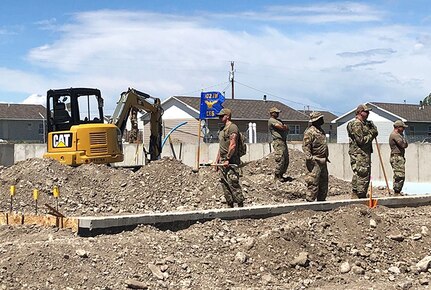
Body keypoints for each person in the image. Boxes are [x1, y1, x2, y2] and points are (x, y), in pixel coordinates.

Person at [347, 104, 378, 199]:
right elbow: (361, 141)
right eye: (366, 112)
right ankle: (359, 195)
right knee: (362, 174)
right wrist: (371, 134)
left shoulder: (364, 124)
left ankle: (359, 194)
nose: (368, 114)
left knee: (362, 174)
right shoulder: (357, 124)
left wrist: (372, 128)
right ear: (360, 112)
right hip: (359, 153)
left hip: (364, 153)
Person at [216, 108, 245, 208]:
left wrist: (228, 159)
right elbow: (221, 147)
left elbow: (232, 145)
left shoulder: (232, 128)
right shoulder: (221, 129)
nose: (219, 118)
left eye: (221, 116)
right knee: (224, 183)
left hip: (231, 160)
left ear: (227, 116)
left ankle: (240, 206)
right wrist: (217, 161)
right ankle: (230, 205)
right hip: (223, 160)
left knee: (233, 182)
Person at [302, 112, 329, 202]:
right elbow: (306, 147)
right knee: (313, 182)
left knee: (324, 182)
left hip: (323, 160)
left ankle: (321, 201)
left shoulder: (321, 131)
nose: (322, 120)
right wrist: (311, 159)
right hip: (315, 161)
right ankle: (310, 202)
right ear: (316, 120)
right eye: (320, 119)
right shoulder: (310, 132)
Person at [268, 107, 289, 182]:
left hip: (283, 141)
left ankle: (281, 175)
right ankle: (277, 175)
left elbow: (286, 127)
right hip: (278, 141)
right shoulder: (271, 120)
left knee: (286, 159)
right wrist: (284, 127)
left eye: (278, 112)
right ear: (272, 113)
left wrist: (284, 127)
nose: (277, 114)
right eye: (276, 112)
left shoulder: (279, 120)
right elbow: (280, 127)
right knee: (280, 158)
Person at [389, 120, 408, 195]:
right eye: (402, 127)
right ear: (398, 127)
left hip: (400, 156)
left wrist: (404, 141)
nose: (403, 129)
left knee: (401, 175)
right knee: (399, 175)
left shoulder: (400, 135)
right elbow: (403, 145)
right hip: (396, 157)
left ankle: (398, 191)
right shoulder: (395, 135)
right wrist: (404, 142)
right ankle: (396, 192)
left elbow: (406, 144)